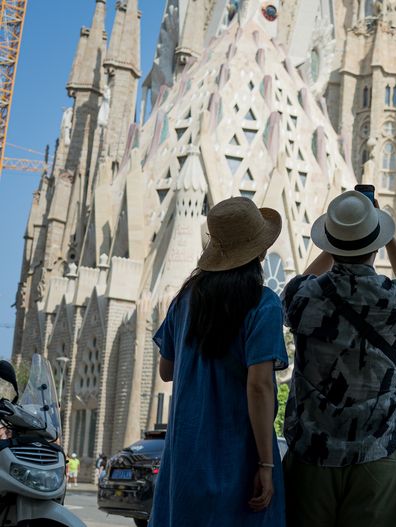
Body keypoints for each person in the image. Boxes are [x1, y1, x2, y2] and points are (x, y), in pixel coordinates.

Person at [282, 190, 396, 527]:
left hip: (311, 458)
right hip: (377, 458)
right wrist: (387, 237)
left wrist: (333, 247)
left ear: (331, 244)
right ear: (375, 244)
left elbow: (299, 282)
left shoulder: (304, 297)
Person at [149, 197, 289, 526]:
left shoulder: (184, 300)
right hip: (239, 455)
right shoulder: (263, 304)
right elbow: (259, 387)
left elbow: (166, 371)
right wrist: (266, 465)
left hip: (185, 455)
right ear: (258, 250)